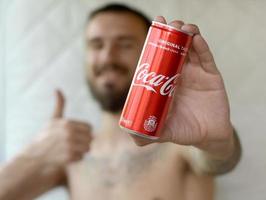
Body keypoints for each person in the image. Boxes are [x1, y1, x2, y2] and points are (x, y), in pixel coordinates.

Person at [0, 3, 241, 200]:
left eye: (125, 44)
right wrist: (33, 157)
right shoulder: (68, 153)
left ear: (153, 53)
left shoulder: (182, 140)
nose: (107, 56)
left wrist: (217, 142)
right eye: (96, 45)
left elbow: (221, 160)